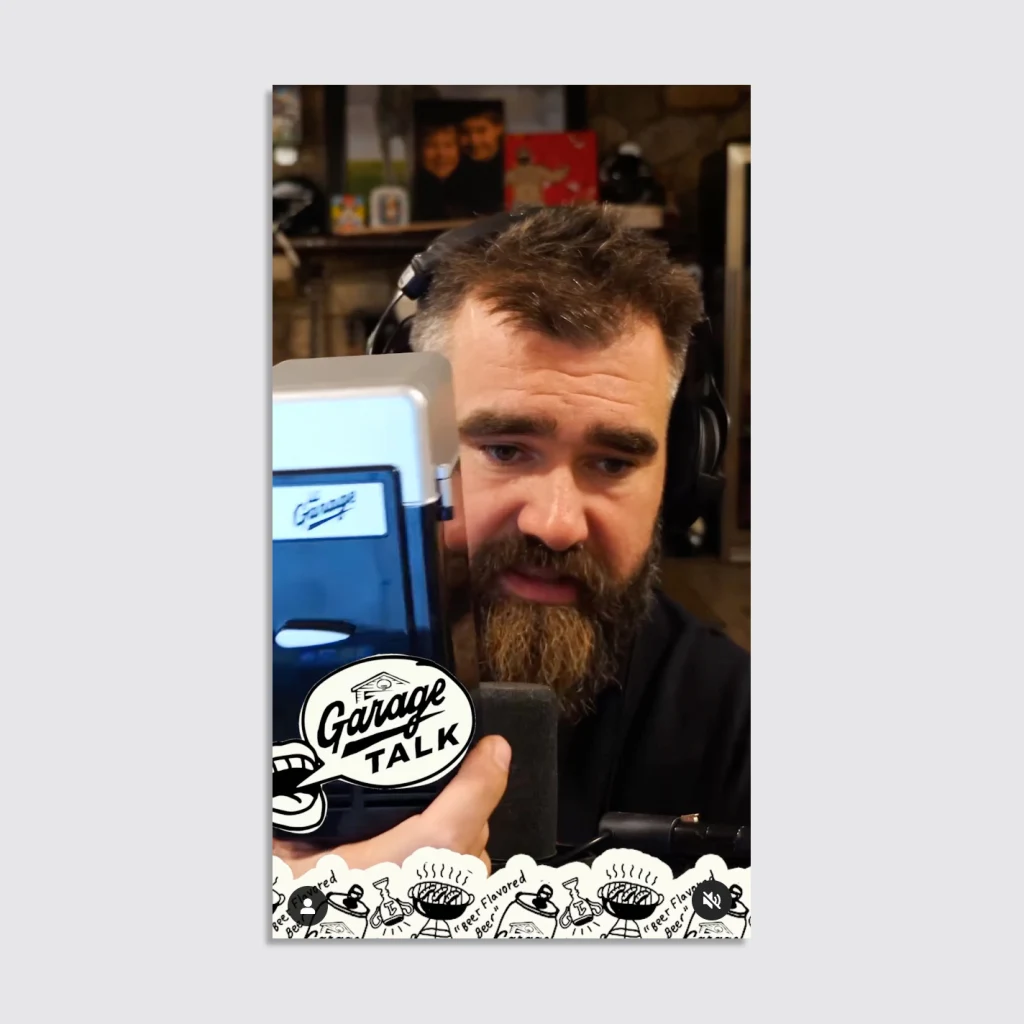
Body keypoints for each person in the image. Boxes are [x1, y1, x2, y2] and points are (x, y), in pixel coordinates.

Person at [273, 205, 750, 877]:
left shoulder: (737, 721)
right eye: (504, 449)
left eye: (612, 462)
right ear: (405, 441)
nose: (556, 522)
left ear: (681, 474)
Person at [411, 122, 474, 222]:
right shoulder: (411, 195)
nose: (441, 154)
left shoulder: (473, 189)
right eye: (431, 145)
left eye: (448, 145)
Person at [457, 107, 505, 215]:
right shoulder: (454, 170)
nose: (474, 141)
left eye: (481, 131)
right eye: (465, 132)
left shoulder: (511, 165)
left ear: (499, 128)